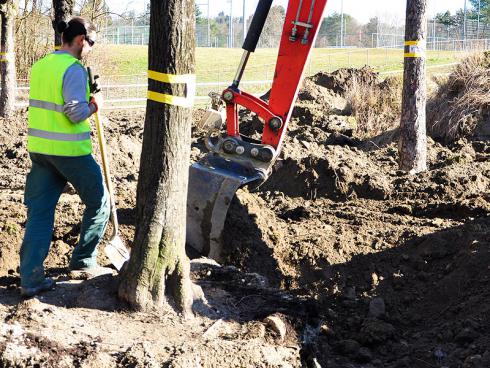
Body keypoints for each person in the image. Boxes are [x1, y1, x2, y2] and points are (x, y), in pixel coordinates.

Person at [20, 17, 111, 297]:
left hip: (41, 152)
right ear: (81, 40)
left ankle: (31, 280)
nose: (91, 49)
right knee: (100, 201)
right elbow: (73, 112)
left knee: (40, 213)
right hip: (70, 152)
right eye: (91, 43)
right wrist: (94, 105)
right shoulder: (73, 69)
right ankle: (83, 260)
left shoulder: (41, 65)